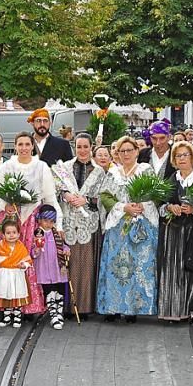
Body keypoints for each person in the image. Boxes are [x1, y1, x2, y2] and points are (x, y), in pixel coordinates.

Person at [0, 132, 57, 315]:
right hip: (10, 220)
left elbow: (49, 197)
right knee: (5, 258)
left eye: (27, 144)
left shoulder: (41, 166)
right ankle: (6, 304)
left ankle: (27, 306)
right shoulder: (9, 165)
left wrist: (57, 223)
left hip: (32, 219)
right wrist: (6, 205)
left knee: (26, 260)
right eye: (20, 144)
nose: (24, 148)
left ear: (32, 146)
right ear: (15, 146)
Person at [95, 136, 160, 322]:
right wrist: (123, 207)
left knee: (137, 267)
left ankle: (133, 308)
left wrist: (141, 205)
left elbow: (156, 193)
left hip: (140, 224)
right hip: (118, 226)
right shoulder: (113, 173)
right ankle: (113, 307)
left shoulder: (146, 170)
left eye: (129, 150)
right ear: (117, 154)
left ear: (136, 151)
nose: (126, 154)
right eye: (122, 151)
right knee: (116, 267)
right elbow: (105, 196)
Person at [157, 140, 193, 322]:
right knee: (175, 270)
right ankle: (176, 311)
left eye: (185, 155)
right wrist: (170, 207)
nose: (182, 158)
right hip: (175, 231)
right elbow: (159, 207)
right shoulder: (170, 180)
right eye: (178, 155)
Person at [55, 133, 105, 317]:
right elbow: (57, 190)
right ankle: (67, 306)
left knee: (85, 265)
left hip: (88, 223)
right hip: (69, 221)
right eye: (79, 147)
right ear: (74, 147)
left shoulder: (99, 171)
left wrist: (87, 200)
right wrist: (66, 196)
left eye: (86, 146)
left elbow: (104, 196)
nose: (82, 150)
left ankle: (84, 306)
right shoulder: (65, 168)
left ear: (91, 147)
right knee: (68, 263)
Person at [0, 219, 32, 328]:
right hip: (5, 274)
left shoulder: (21, 247)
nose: (11, 235)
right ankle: (6, 316)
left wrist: (24, 265)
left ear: (18, 234)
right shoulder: (1, 247)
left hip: (17, 274)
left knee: (17, 293)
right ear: (3, 235)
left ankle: (17, 317)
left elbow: (27, 260)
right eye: (8, 233)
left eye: (14, 233)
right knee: (6, 294)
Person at [32, 206, 70, 329]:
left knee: (59, 291)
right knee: (49, 292)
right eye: (45, 220)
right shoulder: (37, 234)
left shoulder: (56, 234)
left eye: (51, 221)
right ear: (40, 220)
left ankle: (59, 312)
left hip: (58, 269)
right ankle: (53, 314)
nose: (48, 224)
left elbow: (64, 246)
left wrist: (66, 251)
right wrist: (36, 250)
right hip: (43, 269)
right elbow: (32, 252)